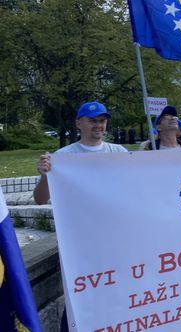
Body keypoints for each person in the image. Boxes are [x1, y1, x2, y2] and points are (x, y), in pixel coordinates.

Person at [32, 101, 127, 331]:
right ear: (78, 123)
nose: (99, 125)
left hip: (116, 240)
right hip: (80, 244)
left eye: (102, 120)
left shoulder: (120, 153)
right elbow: (40, 199)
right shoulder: (63, 157)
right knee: (81, 294)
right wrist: (45, 176)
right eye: (93, 120)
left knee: (117, 292)